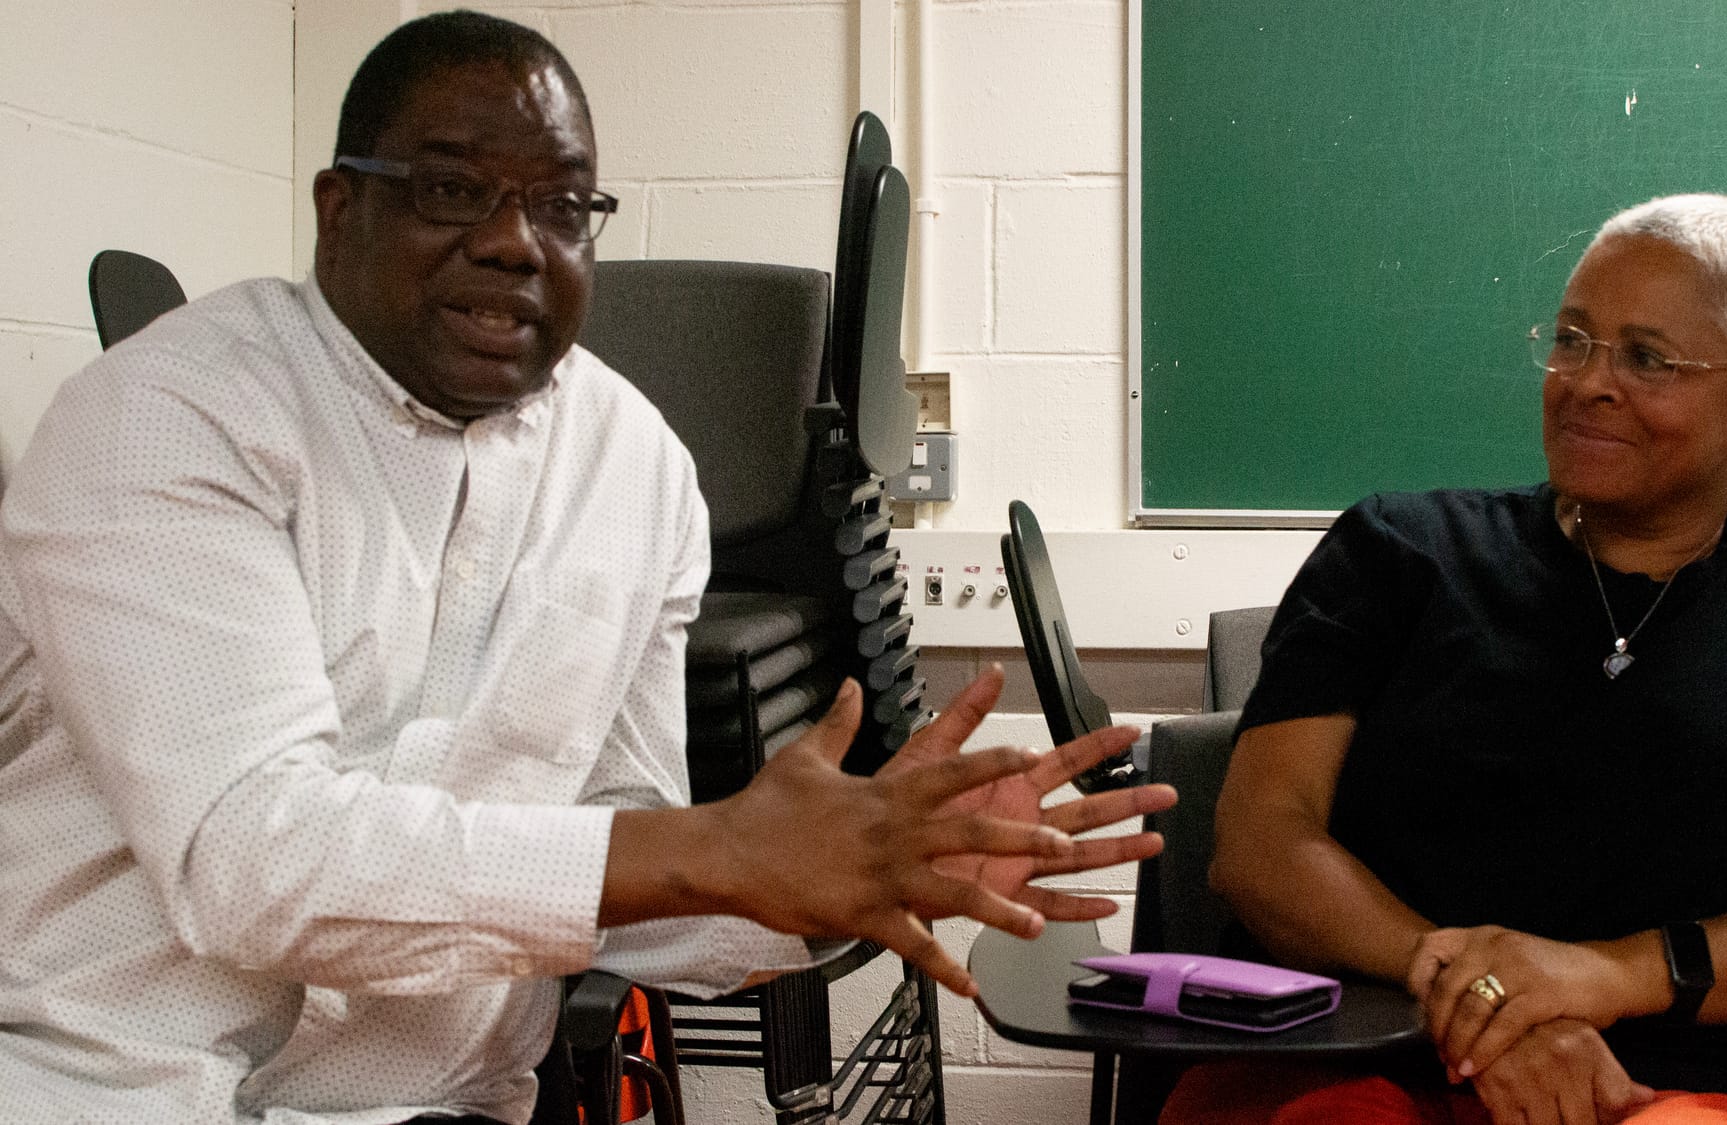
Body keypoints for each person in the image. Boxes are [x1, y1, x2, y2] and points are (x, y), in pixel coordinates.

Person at [0, 11, 1173, 1122]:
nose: (515, 242)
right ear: (339, 208)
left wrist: (842, 875)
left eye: (562, 207)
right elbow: (257, 862)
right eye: (455, 191)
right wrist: (712, 850)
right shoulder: (165, 414)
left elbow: (617, 862)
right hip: (105, 1089)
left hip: (433, 1104)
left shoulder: (636, 470)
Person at [1164, 194, 1727, 1125]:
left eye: (1647, 358)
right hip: (1371, 1041)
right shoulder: (1398, 551)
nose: (1588, 382)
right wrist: (1484, 1004)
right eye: (1571, 340)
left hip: (1689, 1079)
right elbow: (1262, 841)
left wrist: (1608, 976)